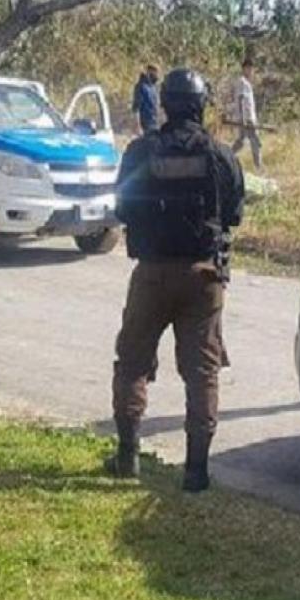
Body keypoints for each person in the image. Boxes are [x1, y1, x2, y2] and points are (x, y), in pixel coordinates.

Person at [109, 68, 245, 493]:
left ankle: (128, 457)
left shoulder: (139, 152)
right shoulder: (220, 155)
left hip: (150, 274)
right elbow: (235, 215)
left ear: (164, 103)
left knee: (132, 362)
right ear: (202, 106)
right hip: (203, 278)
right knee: (202, 373)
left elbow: (123, 209)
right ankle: (196, 472)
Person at [230, 58, 262, 172]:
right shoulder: (242, 82)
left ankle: (227, 157)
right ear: (245, 69)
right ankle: (258, 167)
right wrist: (243, 119)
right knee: (255, 141)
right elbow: (240, 99)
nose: (251, 71)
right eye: (249, 69)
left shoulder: (247, 83)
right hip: (246, 119)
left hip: (248, 118)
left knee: (241, 142)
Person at [131, 64, 160, 135]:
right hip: (145, 124)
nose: (157, 76)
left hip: (154, 122)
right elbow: (136, 108)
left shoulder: (153, 87)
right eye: (155, 73)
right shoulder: (141, 86)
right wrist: (138, 126)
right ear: (148, 72)